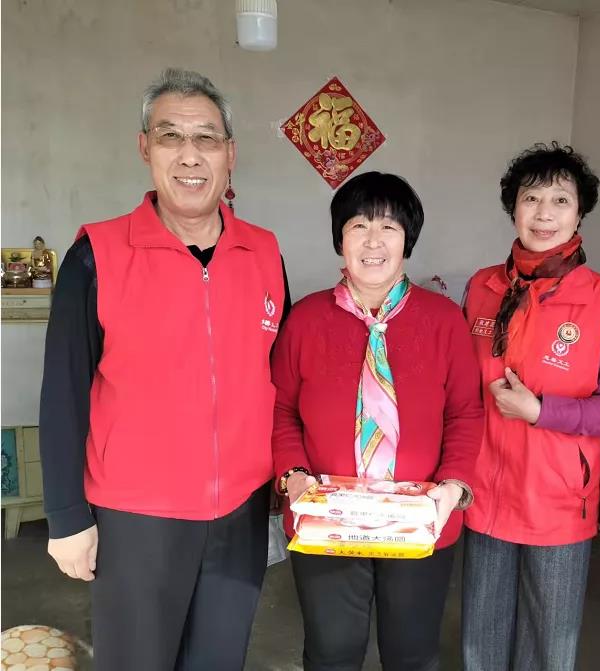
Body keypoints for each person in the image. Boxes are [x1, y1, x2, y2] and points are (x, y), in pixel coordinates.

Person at [39, 68, 290, 671]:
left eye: (206, 138)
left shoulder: (264, 252)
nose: (189, 155)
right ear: (145, 147)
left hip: (240, 513)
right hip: (135, 517)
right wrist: (67, 517)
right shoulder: (96, 255)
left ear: (230, 154)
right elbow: (63, 395)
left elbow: (279, 379)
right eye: (170, 136)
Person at [272, 170, 483, 671]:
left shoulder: (443, 320)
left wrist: (453, 485)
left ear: (407, 239)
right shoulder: (305, 320)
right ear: (339, 239)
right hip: (326, 519)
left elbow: (465, 412)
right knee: (331, 653)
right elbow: (280, 409)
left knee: (412, 655)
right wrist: (293, 475)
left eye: (388, 227)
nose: (373, 241)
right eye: (358, 226)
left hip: (420, 520)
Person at [461, 143, 600, 671]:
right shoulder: (482, 288)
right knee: (481, 638)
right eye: (531, 198)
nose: (544, 213)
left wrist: (541, 412)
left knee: (549, 646)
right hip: (484, 493)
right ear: (513, 208)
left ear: (580, 213)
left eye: (561, 200)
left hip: (558, 501)